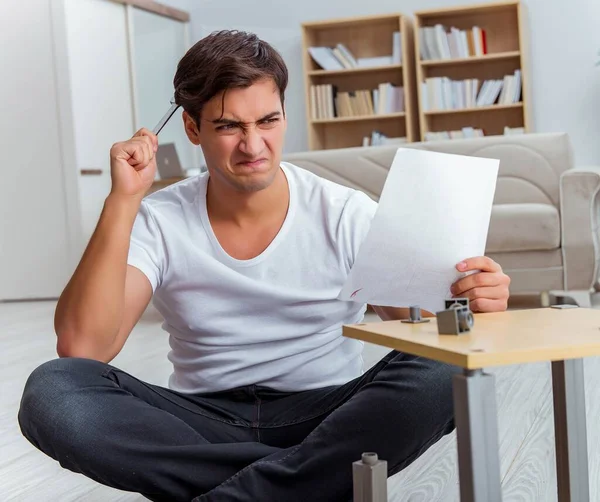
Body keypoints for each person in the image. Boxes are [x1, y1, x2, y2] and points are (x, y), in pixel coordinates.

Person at [18, 30, 510, 502]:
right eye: (229, 126)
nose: (253, 147)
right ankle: (310, 481)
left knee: (449, 367)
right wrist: (123, 201)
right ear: (192, 128)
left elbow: (424, 329)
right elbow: (83, 348)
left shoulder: (343, 213)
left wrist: (472, 303)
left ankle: (247, 489)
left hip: (328, 413)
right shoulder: (160, 218)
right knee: (53, 391)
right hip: (200, 421)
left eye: (267, 121)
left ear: (284, 115)